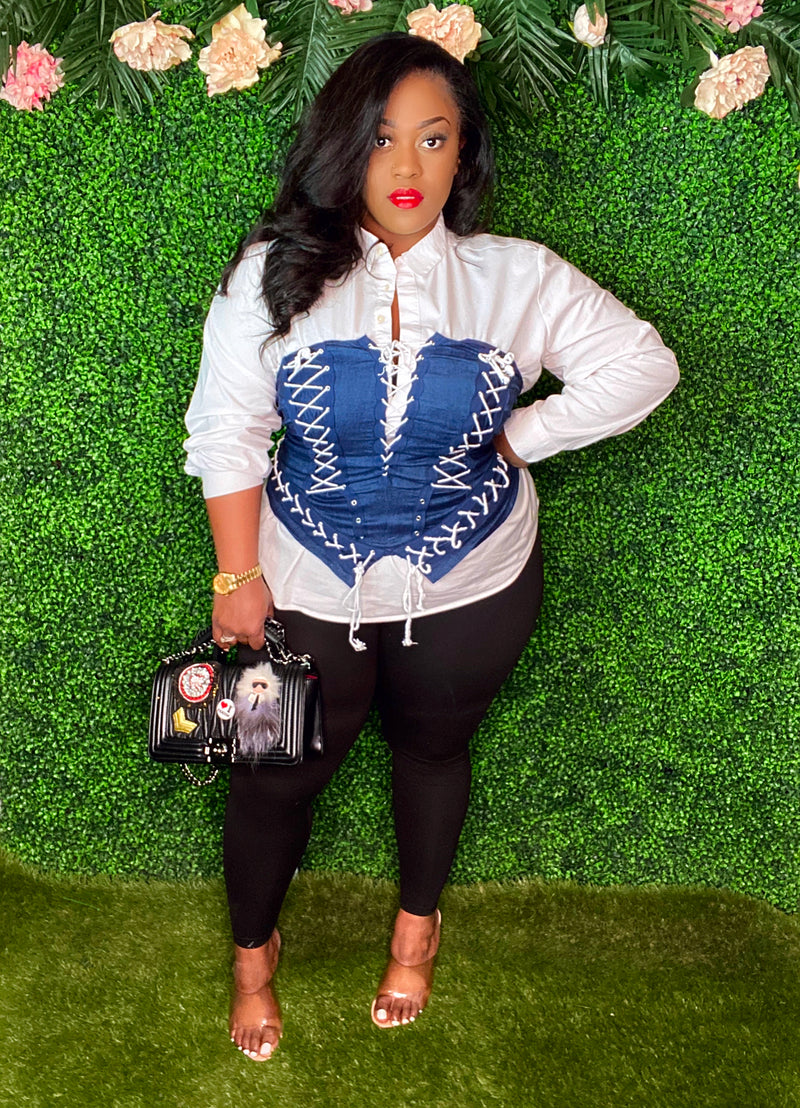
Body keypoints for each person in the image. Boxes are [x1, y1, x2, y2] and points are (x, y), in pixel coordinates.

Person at [184, 31, 679, 1061]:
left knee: (434, 749)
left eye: (433, 137)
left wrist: (522, 435)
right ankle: (252, 953)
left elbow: (643, 364)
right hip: (302, 574)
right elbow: (227, 429)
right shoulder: (270, 273)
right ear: (341, 147)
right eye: (380, 138)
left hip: (475, 580)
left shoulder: (517, 278)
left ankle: (417, 928)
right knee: (271, 774)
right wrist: (238, 574)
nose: (406, 165)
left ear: (464, 152)